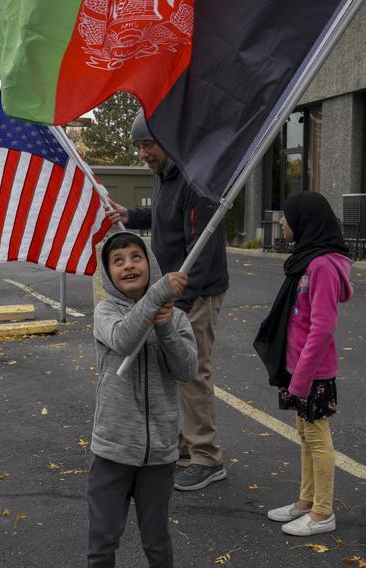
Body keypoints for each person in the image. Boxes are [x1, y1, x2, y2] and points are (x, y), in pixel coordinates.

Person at [106, 110, 229, 492]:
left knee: (192, 372)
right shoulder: (164, 177)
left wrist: (181, 304)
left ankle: (207, 457)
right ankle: (186, 447)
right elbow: (165, 222)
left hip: (195, 294)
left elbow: (202, 246)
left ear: (168, 142)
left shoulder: (196, 181)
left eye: (147, 145)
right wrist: (133, 215)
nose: (142, 153)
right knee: (172, 371)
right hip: (170, 293)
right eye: (138, 146)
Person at [88, 231, 198, 567]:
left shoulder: (175, 317)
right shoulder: (105, 311)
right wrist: (156, 298)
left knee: (157, 541)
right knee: (103, 541)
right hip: (113, 450)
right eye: (117, 261)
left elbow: (186, 370)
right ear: (108, 273)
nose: (128, 265)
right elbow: (124, 338)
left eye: (136, 257)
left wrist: (165, 327)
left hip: (160, 453)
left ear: (149, 263)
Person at [253, 192, 353, 537]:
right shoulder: (306, 260)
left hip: (313, 373)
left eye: (286, 216)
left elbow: (323, 327)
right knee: (305, 434)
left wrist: (303, 378)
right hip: (299, 368)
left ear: (305, 221)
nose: (281, 221)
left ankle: (323, 513)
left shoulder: (322, 265)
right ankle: (306, 501)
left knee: (317, 435)